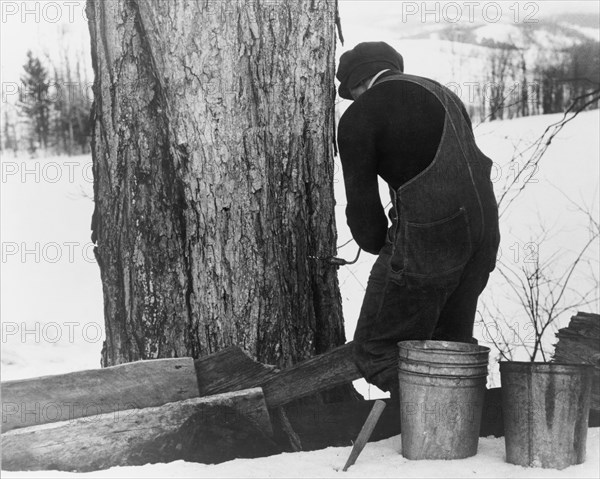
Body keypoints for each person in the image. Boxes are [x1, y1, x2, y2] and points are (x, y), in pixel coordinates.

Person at [336, 42, 500, 395]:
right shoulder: (439, 92)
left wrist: (388, 251)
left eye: (351, 93)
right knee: (450, 344)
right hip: (483, 239)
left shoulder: (360, 115)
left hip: (430, 242)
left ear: (356, 84)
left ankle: (431, 423)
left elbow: (364, 216)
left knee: (379, 350)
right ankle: (463, 425)